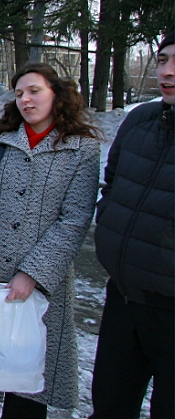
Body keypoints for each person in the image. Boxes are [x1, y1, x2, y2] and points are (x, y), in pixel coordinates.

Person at [0, 63, 101, 418]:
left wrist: (33, 274)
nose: (26, 100)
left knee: (27, 385)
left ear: (56, 94)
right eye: (19, 94)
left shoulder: (82, 150)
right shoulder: (1, 143)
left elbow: (75, 219)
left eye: (35, 91)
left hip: (42, 288)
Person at [88, 32, 174, 419]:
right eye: (163, 60)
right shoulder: (140, 120)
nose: (167, 72)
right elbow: (112, 183)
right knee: (110, 405)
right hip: (123, 298)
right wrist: (109, 227)